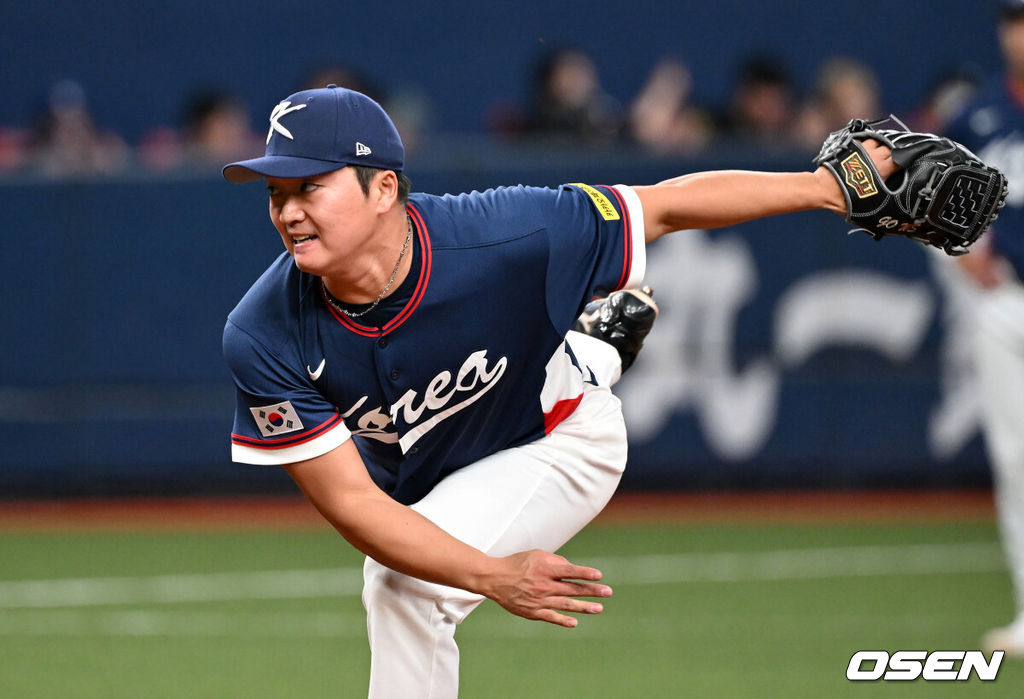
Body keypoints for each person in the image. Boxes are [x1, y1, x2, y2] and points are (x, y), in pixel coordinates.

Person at [220, 84, 893, 697]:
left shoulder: (510, 233)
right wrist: (491, 574)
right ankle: (597, 346)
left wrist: (824, 188)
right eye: (276, 192)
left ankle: (591, 358)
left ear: (385, 188)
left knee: (404, 588)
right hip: (431, 470)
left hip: (561, 440)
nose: (288, 211)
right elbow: (355, 506)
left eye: (310, 186)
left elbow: (665, 205)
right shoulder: (262, 332)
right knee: (410, 551)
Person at [944, 0, 1024, 658]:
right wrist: (958, 243)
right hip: (1004, 301)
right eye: (1014, 19)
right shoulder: (976, 115)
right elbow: (929, 195)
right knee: (1014, 456)